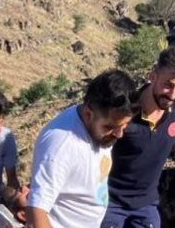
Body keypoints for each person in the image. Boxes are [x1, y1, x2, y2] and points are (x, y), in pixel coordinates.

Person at [26, 70, 139, 228]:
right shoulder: (62, 145)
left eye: (124, 125)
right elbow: (36, 212)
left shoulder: (100, 129)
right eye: (111, 127)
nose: (119, 134)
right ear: (88, 114)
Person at [101, 46, 175, 228]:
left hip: (147, 205)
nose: (173, 94)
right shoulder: (125, 111)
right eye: (168, 85)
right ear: (152, 76)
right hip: (110, 203)